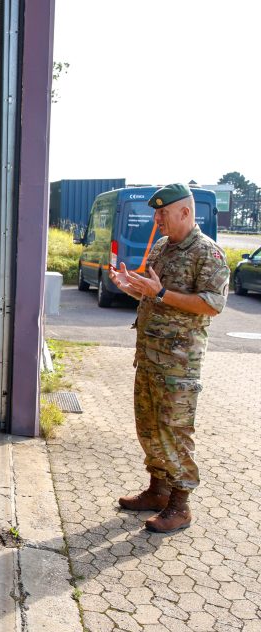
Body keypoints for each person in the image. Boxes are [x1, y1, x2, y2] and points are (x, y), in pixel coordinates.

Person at [109, 183, 229, 533]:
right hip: (149, 357)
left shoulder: (208, 253)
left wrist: (160, 291)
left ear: (185, 212)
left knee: (175, 432)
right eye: (156, 213)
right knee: (149, 427)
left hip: (179, 364)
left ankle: (180, 506)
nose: (156, 219)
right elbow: (153, 295)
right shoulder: (163, 246)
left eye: (162, 213)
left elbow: (212, 304)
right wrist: (131, 286)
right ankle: (157, 491)